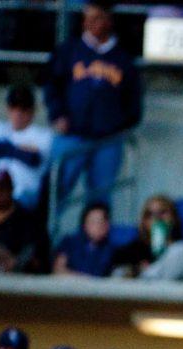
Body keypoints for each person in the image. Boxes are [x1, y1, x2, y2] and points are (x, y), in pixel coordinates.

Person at [43, 0, 142, 208]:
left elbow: (134, 101)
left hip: (107, 141)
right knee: (53, 193)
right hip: (72, 136)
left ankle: (93, 240)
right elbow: (51, 85)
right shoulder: (69, 51)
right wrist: (57, 115)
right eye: (87, 18)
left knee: (100, 197)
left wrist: (118, 125)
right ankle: (44, 238)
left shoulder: (122, 58)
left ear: (109, 20)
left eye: (97, 18)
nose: (91, 23)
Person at [0, 85, 52, 209]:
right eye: (14, 107)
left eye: (23, 108)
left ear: (33, 110)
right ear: (8, 109)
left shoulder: (42, 135)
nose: (18, 113)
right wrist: (16, 150)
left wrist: (1, 149)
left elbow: (33, 158)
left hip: (20, 193)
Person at [112, 194, 183, 282]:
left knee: (182, 250)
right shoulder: (132, 250)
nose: (157, 218)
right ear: (144, 221)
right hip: (144, 291)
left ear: (174, 217)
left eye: (162, 212)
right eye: (150, 214)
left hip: (179, 291)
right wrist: (136, 270)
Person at [0, 169, 46, 274]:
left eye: (3, 188)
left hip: (14, 282)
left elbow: (34, 257)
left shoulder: (27, 221)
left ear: (11, 189)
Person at [52, 201, 113, 278]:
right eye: (93, 222)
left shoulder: (111, 250)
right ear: (84, 224)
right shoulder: (69, 243)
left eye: (101, 222)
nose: (98, 226)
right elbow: (58, 270)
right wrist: (83, 279)